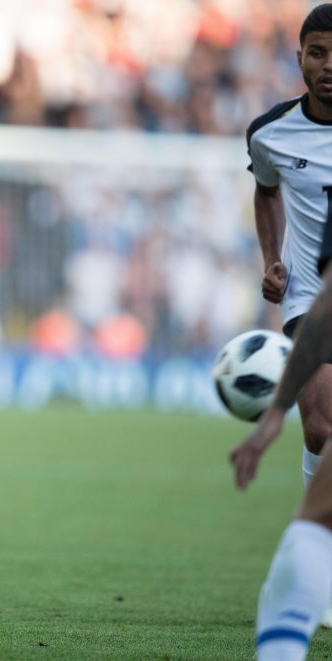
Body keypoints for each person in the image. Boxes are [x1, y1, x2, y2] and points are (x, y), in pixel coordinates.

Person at [231, 7, 332, 658]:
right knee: (322, 425)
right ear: (299, 58)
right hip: (308, 297)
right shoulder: (270, 132)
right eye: (319, 52)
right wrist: (272, 256)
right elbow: (265, 192)